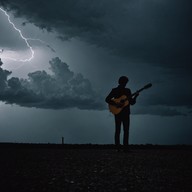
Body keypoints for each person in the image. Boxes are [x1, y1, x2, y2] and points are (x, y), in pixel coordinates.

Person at [105, 76, 139, 151]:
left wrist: (136, 96)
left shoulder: (127, 91)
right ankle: (119, 148)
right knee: (120, 130)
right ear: (121, 82)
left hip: (125, 113)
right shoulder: (116, 90)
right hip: (118, 112)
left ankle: (124, 148)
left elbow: (132, 102)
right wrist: (116, 104)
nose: (125, 84)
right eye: (125, 82)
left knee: (123, 130)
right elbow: (107, 99)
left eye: (126, 83)